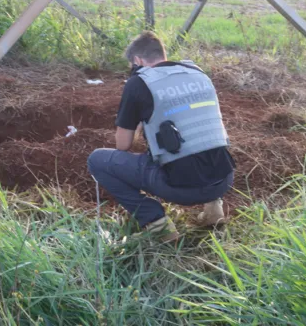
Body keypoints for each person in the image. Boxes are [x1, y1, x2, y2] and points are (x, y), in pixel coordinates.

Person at [87, 31, 235, 242]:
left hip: (180, 189)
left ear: (137, 61)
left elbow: (123, 144)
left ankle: (157, 224)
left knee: (98, 160)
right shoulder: (197, 73)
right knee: (200, 136)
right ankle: (214, 210)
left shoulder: (138, 83)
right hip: (223, 179)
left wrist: (138, 121)